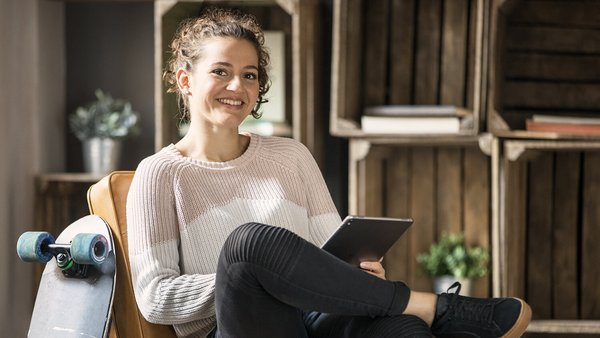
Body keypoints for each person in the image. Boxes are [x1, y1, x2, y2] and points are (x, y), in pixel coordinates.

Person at [126, 8, 532, 338]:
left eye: (250, 74)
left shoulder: (291, 157)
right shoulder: (160, 174)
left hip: (315, 320)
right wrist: (259, 278)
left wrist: (351, 276)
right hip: (240, 327)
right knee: (247, 246)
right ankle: (438, 307)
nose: (238, 85)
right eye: (221, 71)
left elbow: (328, 253)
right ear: (186, 81)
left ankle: (416, 313)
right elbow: (155, 297)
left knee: (400, 328)